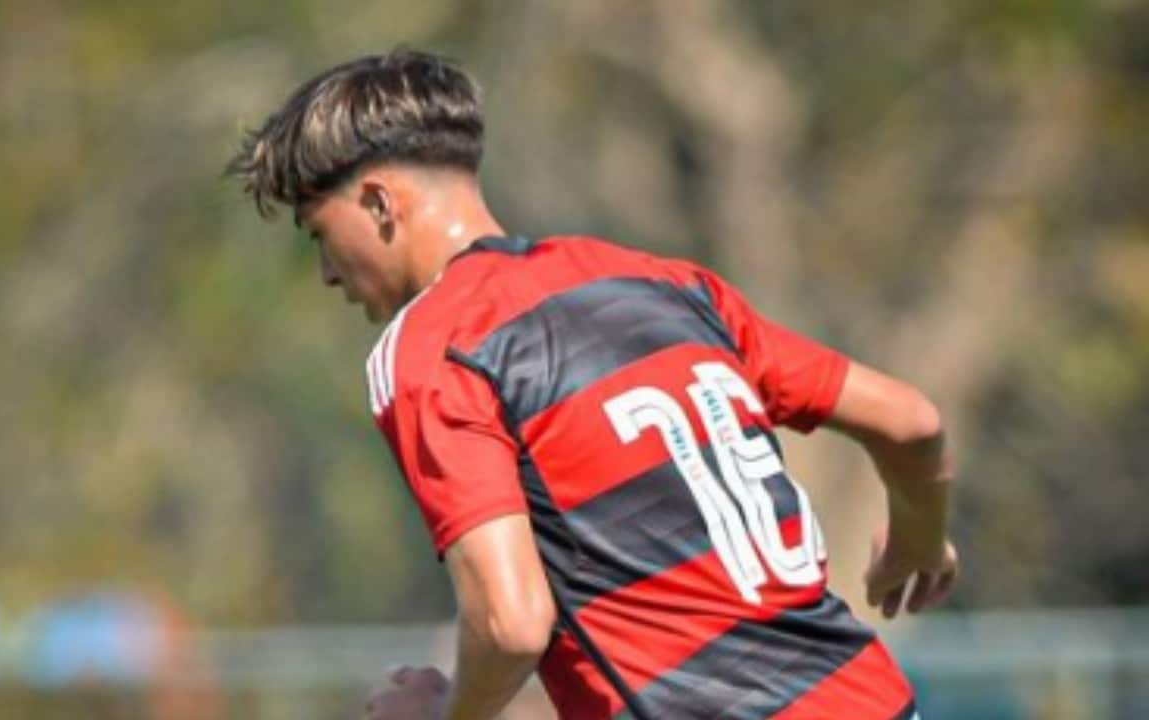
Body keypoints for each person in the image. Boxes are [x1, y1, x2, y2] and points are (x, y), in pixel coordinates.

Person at [228, 48, 957, 720]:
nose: (327, 272)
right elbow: (911, 421)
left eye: (319, 234)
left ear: (380, 205)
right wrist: (918, 542)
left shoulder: (433, 344)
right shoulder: (662, 282)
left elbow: (510, 623)